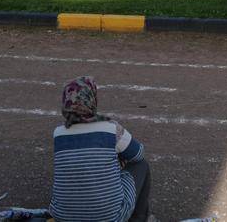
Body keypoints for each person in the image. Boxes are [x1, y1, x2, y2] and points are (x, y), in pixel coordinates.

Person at [47, 76, 152, 222]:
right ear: (91, 100)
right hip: (109, 217)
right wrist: (118, 158)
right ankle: (139, 218)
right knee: (141, 165)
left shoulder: (58, 134)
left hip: (62, 217)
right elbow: (138, 154)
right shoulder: (110, 129)